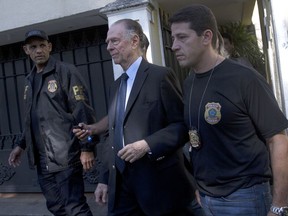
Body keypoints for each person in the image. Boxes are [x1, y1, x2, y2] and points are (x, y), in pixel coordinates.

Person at [169, 4, 288, 216]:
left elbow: (277, 140)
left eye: (182, 37)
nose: (174, 46)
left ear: (206, 37)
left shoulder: (245, 78)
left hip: (245, 199)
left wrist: (279, 206)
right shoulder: (189, 83)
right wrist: (199, 187)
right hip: (205, 199)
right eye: (172, 39)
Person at [75, 18, 195, 215]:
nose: (108, 47)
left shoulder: (160, 76)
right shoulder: (116, 86)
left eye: (114, 41)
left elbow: (182, 125)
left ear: (134, 41)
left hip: (158, 186)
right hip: (121, 185)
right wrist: (105, 179)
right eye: (107, 42)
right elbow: (112, 135)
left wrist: (147, 144)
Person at [8, 29, 97, 216]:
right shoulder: (28, 80)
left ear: (49, 47)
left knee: (75, 207)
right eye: (33, 47)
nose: (38, 50)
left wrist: (87, 147)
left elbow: (82, 111)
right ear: (26, 50)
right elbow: (32, 118)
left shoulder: (65, 72)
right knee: (56, 206)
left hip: (66, 154)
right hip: (42, 160)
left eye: (42, 45)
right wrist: (21, 145)